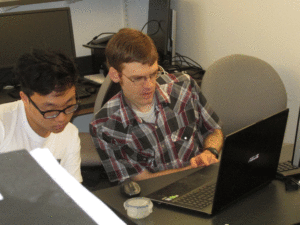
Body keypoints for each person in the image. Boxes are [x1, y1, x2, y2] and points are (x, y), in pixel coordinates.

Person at [90, 28, 224, 183]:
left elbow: (214, 130)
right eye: (138, 78)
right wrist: (192, 170)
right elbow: (142, 181)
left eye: (153, 74)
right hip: (157, 196)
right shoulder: (105, 126)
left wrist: (210, 151)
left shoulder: (184, 87)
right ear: (114, 75)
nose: (149, 85)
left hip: (202, 181)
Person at [0, 49, 82, 183]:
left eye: (69, 105)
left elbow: (72, 194)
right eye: (50, 110)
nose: (62, 118)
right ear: (25, 99)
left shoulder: (69, 134)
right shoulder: (3, 126)